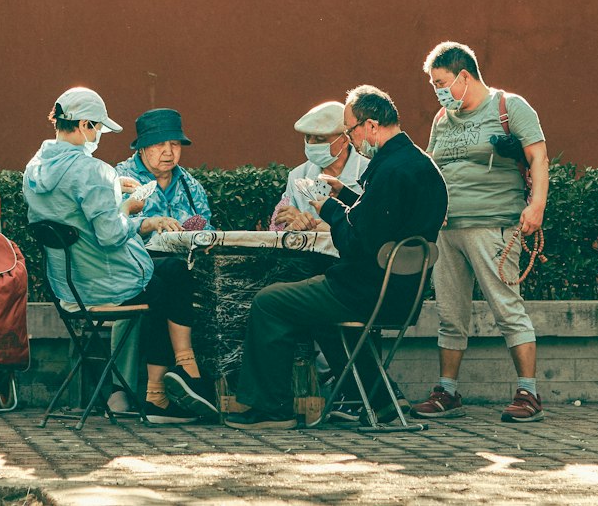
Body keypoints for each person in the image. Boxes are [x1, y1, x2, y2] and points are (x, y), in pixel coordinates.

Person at [177, 85, 447, 428]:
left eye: (350, 130)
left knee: (269, 302)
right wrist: (345, 194)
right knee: (316, 314)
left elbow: (355, 241)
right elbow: (382, 221)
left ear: (372, 125)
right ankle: (379, 401)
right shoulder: (421, 166)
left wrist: (328, 207)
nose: (352, 137)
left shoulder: (390, 171)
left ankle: (270, 409)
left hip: (363, 291)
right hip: (400, 293)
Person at [23, 86, 218, 424]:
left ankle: (170, 384)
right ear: (84, 125)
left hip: (70, 289)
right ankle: (175, 382)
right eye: (97, 127)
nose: (98, 135)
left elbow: (77, 220)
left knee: (166, 277)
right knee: (171, 279)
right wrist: (130, 210)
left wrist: (114, 196)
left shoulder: (34, 169)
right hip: (105, 285)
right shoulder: (92, 170)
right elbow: (111, 234)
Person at [412, 40, 549, 425]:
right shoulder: (442, 120)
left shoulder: (509, 107)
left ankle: (528, 392)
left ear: (464, 76)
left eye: (440, 82)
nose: (437, 91)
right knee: (450, 314)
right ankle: (448, 392)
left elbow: (538, 155)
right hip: (447, 230)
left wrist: (536, 205)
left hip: (494, 225)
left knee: (507, 308)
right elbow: (431, 170)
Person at [270, 100, 368, 231]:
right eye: (308, 137)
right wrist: (290, 223)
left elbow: (371, 227)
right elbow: (276, 225)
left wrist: (311, 225)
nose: (311, 143)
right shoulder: (297, 175)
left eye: (320, 139)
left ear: (344, 140)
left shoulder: (369, 172)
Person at [115, 108, 214, 229]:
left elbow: (206, 226)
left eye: (174, 144)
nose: (168, 152)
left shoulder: (191, 185)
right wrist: (150, 224)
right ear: (141, 149)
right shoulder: (120, 181)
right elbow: (113, 229)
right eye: (159, 144)